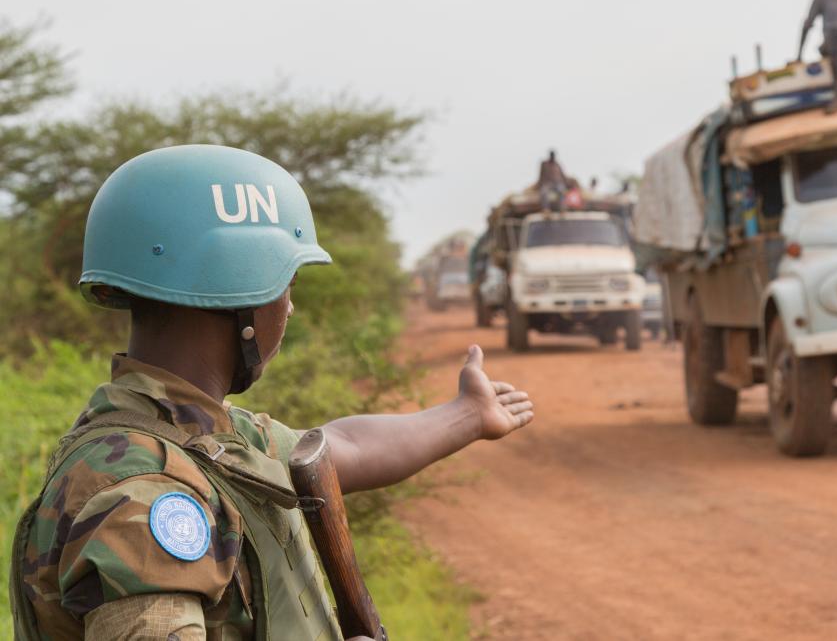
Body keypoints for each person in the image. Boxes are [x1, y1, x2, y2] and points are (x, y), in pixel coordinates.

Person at [12, 145, 534, 640]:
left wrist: (467, 415)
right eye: (285, 287)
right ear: (241, 294)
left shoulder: (193, 434)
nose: (288, 309)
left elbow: (337, 450)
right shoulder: (146, 499)